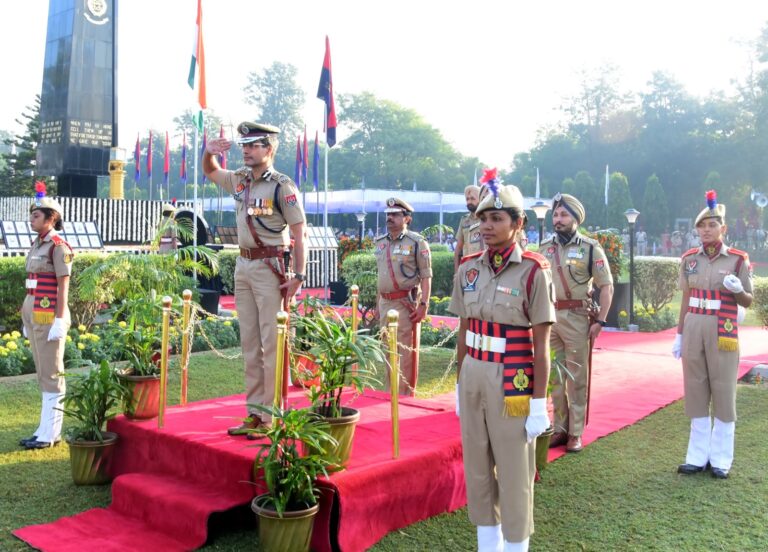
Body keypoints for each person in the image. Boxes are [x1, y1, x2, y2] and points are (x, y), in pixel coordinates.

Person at [449, 180, 555, 552]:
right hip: (475, 372)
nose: (486, 226)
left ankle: (515, 547)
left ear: (518, 222)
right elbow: (464, 330)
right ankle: (487, 545)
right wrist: (460, 384)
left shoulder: (532, 271)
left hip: (512, 377)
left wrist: (539, 404)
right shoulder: (467, 269)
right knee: (477, 467)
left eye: (496, 218)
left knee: (513, 472)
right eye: (482, 219)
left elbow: (541, 344)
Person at [203, 122, 307, 434]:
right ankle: (255, 413)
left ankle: (272, 417)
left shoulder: (281, 186)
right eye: (244, 145)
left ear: (269, 148)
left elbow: (300, 233)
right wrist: (208, 152)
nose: (246, 150)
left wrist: (299, 275)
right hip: (243, 266)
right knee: (250, 344)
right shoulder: (240, 180)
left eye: (254, 145)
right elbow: (210, 171)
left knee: (271, 343)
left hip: (270, 267)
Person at [673, 191, 752, 479]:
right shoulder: (689, 259)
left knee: (722, 390)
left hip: (722, 329)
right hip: (694, 325)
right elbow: (685, 299)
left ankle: (720, 459)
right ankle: (696, 456)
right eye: (701, 226)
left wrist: (736, 289)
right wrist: (679, 334)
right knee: (695, 389)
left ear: (723, 228)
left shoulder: (737, 260)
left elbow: (747, 301)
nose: (706, 230)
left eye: (712, 225)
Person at [540, 193, 614, 453]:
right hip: (549, 318)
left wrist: (601, 321)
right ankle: (559, 428)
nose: (558, 220)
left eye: (564, 215)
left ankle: (576, 432)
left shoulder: (590, 247)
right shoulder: (544, 247)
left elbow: (606, 286)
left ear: (576, 218)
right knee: (555, 377)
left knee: (576, 378)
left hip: (577, 318)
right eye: (556, 215)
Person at [19, 182, 74, 450]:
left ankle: (51, 433)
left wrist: (61, 320)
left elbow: (64, 283)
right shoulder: (36, 243)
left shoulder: (57, 246)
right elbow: (31, 281)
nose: (31, 219)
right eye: (31, 215)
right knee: (43, 372)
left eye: (36, 215)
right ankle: (43, 429)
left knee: (52, 374)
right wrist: (24, 315)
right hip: (34, 313)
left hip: (50, 315)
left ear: (51, 218)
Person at [375, 197, 432, 396]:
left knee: (405, 351)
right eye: (388, 214)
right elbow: (380, 275)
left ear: (407, 218)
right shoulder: (380, 243)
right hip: (385, 301)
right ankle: (391, 391)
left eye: (395, 214)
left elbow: (426, 276)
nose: (390, 218)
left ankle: (405, 396)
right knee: (387, 348)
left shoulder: (417, 242)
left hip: (405, 302)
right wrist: (377, 304)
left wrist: (424, 304)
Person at [453, 185, 483, 269]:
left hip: (484, 267)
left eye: (472, 199)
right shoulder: (464, 220)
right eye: (467, 199)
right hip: (468, 267)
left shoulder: (486, 219)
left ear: (480, 199)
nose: (469, 202)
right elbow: (458, 248)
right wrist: (456, 272)